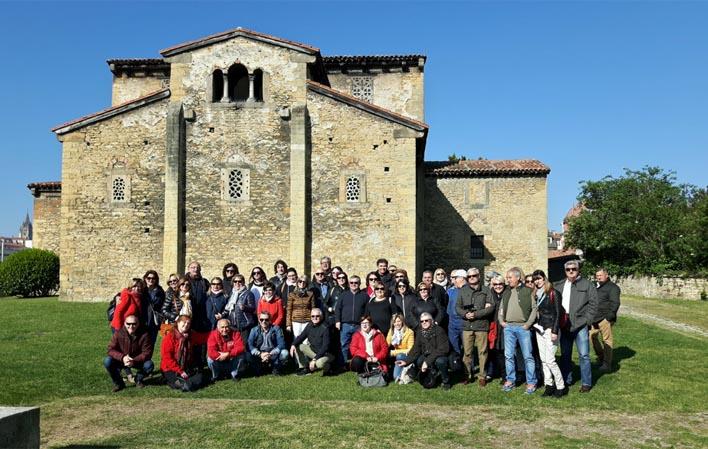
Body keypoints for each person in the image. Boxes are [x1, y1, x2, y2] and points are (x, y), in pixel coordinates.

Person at [554, 260, 598, 393]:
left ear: (578, 270)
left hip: (580, 324)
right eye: (568, 269)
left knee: (584, 355)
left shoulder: (587, 284)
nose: (571, 271)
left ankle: (586, 383)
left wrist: (586, 320)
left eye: (574, 269)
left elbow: (594, 304)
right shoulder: (559, 285)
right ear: (565, 271)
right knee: (565, 354)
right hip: (564, 324)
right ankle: (567, 380)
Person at [499, 267, 538, 394]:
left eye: (510, 277)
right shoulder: (506, 292)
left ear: (517, 278)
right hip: (509, 328)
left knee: (528, 356)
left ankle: (531, 382)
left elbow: (534, 309)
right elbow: (501, 309)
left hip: (523, 328)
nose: (507, 280)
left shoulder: (528, 291)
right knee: (509, 356)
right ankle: (510, 380)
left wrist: (528, 324)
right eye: (507, 277)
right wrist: (501, 322)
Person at [456, 267, 494, 386]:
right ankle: (467, 375)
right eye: (469, 277)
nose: (471, 278)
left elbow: (491, 307)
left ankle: (482, 376)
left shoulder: (486, 290)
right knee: (467, 353)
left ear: (479, 276)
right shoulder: (463, 290)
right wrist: (465, 314)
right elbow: (457, 307)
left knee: (482, 352)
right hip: (467, 326)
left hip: (481, 325)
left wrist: (476, 314)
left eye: (474, 276)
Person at [531, 270, 566, 397]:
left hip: (550, 328)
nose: (537, 281)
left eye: (539, 278)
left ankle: (561, 386)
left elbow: (558, 313)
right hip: (539, 329)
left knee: (550, 360)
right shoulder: (536, 294)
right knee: (544, 360)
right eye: (535, 279)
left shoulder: (553, 293)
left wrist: (555, 331)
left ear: (544, 278)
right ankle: (549, 385)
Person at [396, 312, 451, 390]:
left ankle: (446, 381)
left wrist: (427, 362)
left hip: (440, 355)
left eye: (426, 320)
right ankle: (431, 377)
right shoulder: (420, 332)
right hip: (428, 355)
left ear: (431, 321)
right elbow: (416, 349)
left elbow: (443, 349)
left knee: (440, 362)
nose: (424, 322)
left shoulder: (439, 330)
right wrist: (406, 361)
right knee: (419, 361)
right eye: (422, 321)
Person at [104, 314, 154, 391]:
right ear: (124, 323)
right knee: (107, 361)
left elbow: (147, 353)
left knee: (149, 365)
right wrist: (123, 357)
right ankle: (119, 383)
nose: (131, 326)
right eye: (128, 324)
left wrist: (134, 360)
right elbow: (110, 349)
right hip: (121, 360)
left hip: (136, 360)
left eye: (134, 324)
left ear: (138, 324)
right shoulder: (118, 333)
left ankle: (138, 379)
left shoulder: (144, 335)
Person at [160, 315, 210, 392]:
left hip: (186, 366)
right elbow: (167, 358)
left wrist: (218, 331)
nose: (186, 325)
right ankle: (180, 382)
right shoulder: (169, 338)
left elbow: (203, 338)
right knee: (179, 383)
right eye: (184, 322)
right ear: (178, 323)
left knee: (200, 376)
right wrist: (180, 371)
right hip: (170, 368)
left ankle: (187, 383)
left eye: (188, 323)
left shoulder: (191, 334)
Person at [591, 267, 621, 372]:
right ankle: (601, 357)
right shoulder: (596, 286)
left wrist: (608, 318)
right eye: (597, 275)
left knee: (606, 340)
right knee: (591, 336)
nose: (598, 277)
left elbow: (615, 303)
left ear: (606, 275)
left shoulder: (613, 288)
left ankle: (607, 365)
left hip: (605, 319)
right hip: (594, 318)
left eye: (600, 275)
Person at [335, 275, 369, 363]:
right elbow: (338, 309)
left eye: (356, 282)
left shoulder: (364, 296)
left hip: (359, 325)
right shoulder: (343, 295)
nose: (354, 284)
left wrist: (365, 322)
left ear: (359, 284)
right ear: (349, 283)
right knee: (344, 344)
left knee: (359, 345)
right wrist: (337, 321)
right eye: (351, 282)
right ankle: (345, 363)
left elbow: (367, 310)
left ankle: (357, 362)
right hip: (345, 324)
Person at [291, 308, 334, 376]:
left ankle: (330, 367)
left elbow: (325, 347)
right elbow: (301, 336)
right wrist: (293, 345)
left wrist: (314, 359)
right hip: (314, 351)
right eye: (313, 316)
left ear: (321, 316)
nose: (315, 318)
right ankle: (304, 368)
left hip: (326, 354)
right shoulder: (309, 325)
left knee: (319, 363)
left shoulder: (326, 328)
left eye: (317, 316)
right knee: (298, 346)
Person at [247, 311, 288, 376]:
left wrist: (270, 354)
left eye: (266, 319)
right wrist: (260, 354)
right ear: (259, 320)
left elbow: (282, 344)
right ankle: (259, 368)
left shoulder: (276, 329)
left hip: (273, 353)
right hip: (260, 354)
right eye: (261, 319)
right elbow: (249, 344)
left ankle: (276, 368)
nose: (264, 321)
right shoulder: (254, 330)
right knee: (247, 355)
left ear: (270, 320)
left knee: (284, 352)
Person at [225, 274, 256, 349]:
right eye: (235, 281)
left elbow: (253, 308)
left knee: (244, 346)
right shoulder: (232, 293)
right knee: (233, 346)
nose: (237, 283)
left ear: (243, 282)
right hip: (233, 325)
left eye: (240, 281)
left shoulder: (248, 293)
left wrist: (245, 307)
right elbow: (228, 308)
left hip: (244, 325)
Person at [486, 274, 507, 381]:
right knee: (493, 350)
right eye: (495, 284)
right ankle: (494, 372)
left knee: (504, 351)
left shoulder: (508, 293)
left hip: (505, 325)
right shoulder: (490, 295)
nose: (498, 286)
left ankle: (505, 375)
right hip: (493, 325)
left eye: (500, 284)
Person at [387, 313, 414, 382]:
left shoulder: (409, 332)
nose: (397, 323)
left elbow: (410, 350)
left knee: (399, 356)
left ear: (402, 321)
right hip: (397, 356)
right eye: (394, 322)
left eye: (399, 321)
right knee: (395, 376)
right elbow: (386, 344)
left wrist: (393, 352)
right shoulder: (391, 331)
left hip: (406, 356)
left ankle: (407, 371)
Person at [446, 270, 467, 356]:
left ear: (462, 278)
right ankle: (456, 366)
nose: (454, 280)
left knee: (467, 348)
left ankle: (468, 368)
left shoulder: (468, 291)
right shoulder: (450, 291)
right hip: (452, 323)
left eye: (456, 278)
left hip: (464, 322)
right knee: (454, 348)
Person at [186, 261, 210, 334]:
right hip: (188, 313)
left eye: (197, 268)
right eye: (193, 267)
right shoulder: (184, 281)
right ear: (188, 269)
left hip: (201, 314)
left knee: (200, 338)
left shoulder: (204, 282)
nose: (195, 269)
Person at [142, 270, 165, 346]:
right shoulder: (141, 289)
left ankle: (148, 358)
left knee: (151, 344)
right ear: (145, 279)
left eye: (153, 278)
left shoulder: (160, 291)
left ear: (156, 279)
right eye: (149, 278)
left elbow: (163, 305)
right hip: (142, 320)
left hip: (153, 322)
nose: (151, 280)